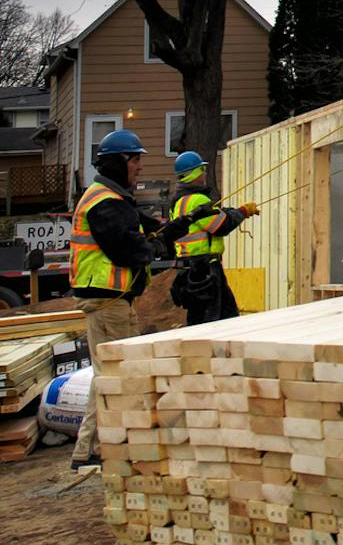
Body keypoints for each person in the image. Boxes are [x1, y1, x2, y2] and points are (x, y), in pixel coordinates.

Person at [68, 129, 170, 471]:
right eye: (135, 159)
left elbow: (139, 228)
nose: (140, 167)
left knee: (107, 372)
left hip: (106, 300)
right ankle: (111, 445)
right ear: (117, 162)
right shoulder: (107, 202)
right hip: (109, 301)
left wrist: (166, 230)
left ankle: (88, 448)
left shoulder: (108, 196)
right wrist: (152, 247)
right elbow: (125, 247)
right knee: (118, 373)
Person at [166, 151, 256, 327]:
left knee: (202, 316)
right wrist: (243, 212)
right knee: (214, 320)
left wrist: (232, 211)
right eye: (202, 170)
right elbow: (221, 226)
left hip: (188, 268)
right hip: (204, 270)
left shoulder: (178, 201)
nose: (205, 174)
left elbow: (216, 216)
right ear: (195, 173)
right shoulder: (197, 199)